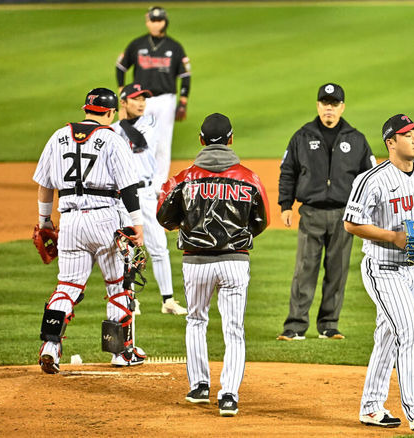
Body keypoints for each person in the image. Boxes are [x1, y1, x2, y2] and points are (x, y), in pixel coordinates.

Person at [343, 114, 414, 432]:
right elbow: (351, 223)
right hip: (381, 269)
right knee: (408, 331)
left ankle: (371, 407)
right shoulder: (372, 180)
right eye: (407, 134)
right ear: (391, 142)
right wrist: (393, 237)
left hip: (412, 270)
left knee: (389, 336)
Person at [157, 113, 269, 417]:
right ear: (231, 139)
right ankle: (229, 395)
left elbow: (164, 217)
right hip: (235, 262)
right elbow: (260, 221)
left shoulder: (183, 178)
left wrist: (189, 226)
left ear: (201, 140)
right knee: (234, 329)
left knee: (196, 321)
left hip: (196, 262)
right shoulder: (249, 178)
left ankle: (200, 386)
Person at [34, 88, 146, 373]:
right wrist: (137, 225)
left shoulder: (58, 137)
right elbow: (129, 187)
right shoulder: (112, 139)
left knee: (68, 286)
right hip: (106, 219)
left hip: (70, 220)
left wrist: (45, 221)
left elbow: (45, 184)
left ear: (86, 108)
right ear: (109, 113)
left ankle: (50, 346)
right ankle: (121, 352)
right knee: (118, 285)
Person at [277, 83, 376, 341]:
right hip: (311, 212)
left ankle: (329, 326)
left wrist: (364, 212)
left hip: (345, 216)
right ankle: (295, 327)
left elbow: (369, 179)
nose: (329, 108)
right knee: (305, 269)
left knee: (338, 270)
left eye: (334, 104)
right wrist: (286, 205)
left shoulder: (356, 139)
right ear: (318, 105)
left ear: (342, 107)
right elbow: (288, 171)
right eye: (324, 103)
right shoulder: (302, 136)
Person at [111, 83, 187, 316]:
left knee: (159, 248)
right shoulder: (113, 130)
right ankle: (129, 299)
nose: (142, 102)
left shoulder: (150, 124)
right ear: (123, 102)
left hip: (144, 194)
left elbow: (139, 143)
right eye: (136, 99)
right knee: (126, 248)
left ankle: (168, 300)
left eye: (144, 98)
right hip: (120, 196)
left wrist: (122, 123)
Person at [116, 5, 191, 190]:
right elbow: (120, 66)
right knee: (134, 137)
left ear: (165, 22)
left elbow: (185, 76)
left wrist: (183, 101)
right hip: (141, 100)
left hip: (166, 100)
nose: (156, 24)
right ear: (147, 21)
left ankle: (158, 186)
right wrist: (121, 89)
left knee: (163, 142)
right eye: (153, 20)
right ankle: (133, 178)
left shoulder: (175, 47)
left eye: (160, 20)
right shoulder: (137, 44)